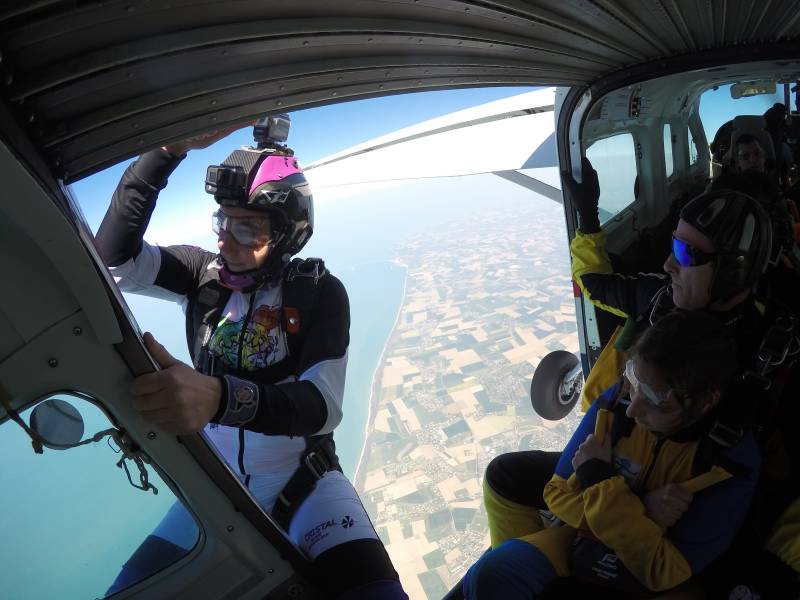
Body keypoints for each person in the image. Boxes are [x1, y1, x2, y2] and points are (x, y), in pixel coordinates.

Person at [96, 124, 407, 599]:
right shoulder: (203, 277)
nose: (226, 241)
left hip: (305, 487)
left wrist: (220, 399)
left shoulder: (317, 292)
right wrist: (165, 150)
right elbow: (113, 260)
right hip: (217, 485)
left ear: (286, 234)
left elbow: (321, 406)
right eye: (223, 222)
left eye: (247, 228)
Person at [483, 160, 773, 545]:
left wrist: (631, 502)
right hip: (614, 450)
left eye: (686, 254)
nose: (669, 264)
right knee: (503, 478)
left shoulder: (769, 349)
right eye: (673, 245)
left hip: (680, 497)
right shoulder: (659, 299)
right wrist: (588, 215)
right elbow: (594, 282)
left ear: (732, 271)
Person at [463, 311, 760, 598]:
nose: (634, 409)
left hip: (660, 584)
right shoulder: (619, 400)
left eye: (655, 399)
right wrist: (641, 507)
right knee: (493, 575)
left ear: (705, 403)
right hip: (586, 543)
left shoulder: (727, 461)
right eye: (633, 379)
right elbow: (556, 495)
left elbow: (662, 571)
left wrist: (598, 480)